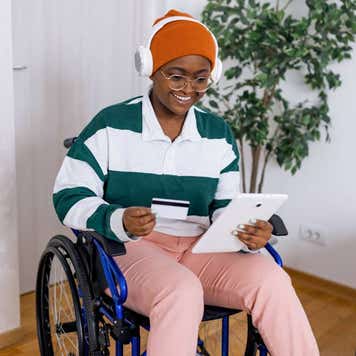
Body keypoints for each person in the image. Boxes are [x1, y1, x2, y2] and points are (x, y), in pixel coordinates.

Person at [53, 9, 319, 356]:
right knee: (181, 291)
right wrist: (117, 219)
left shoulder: (217, 134)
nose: (188, 89)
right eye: (176, 76)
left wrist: (247, 233)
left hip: (201, 247)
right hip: (132, 249)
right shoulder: (110, 125)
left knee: (273, 280)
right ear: (151, 69)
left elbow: (225, 206)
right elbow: (68, 196)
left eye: (200, 79)